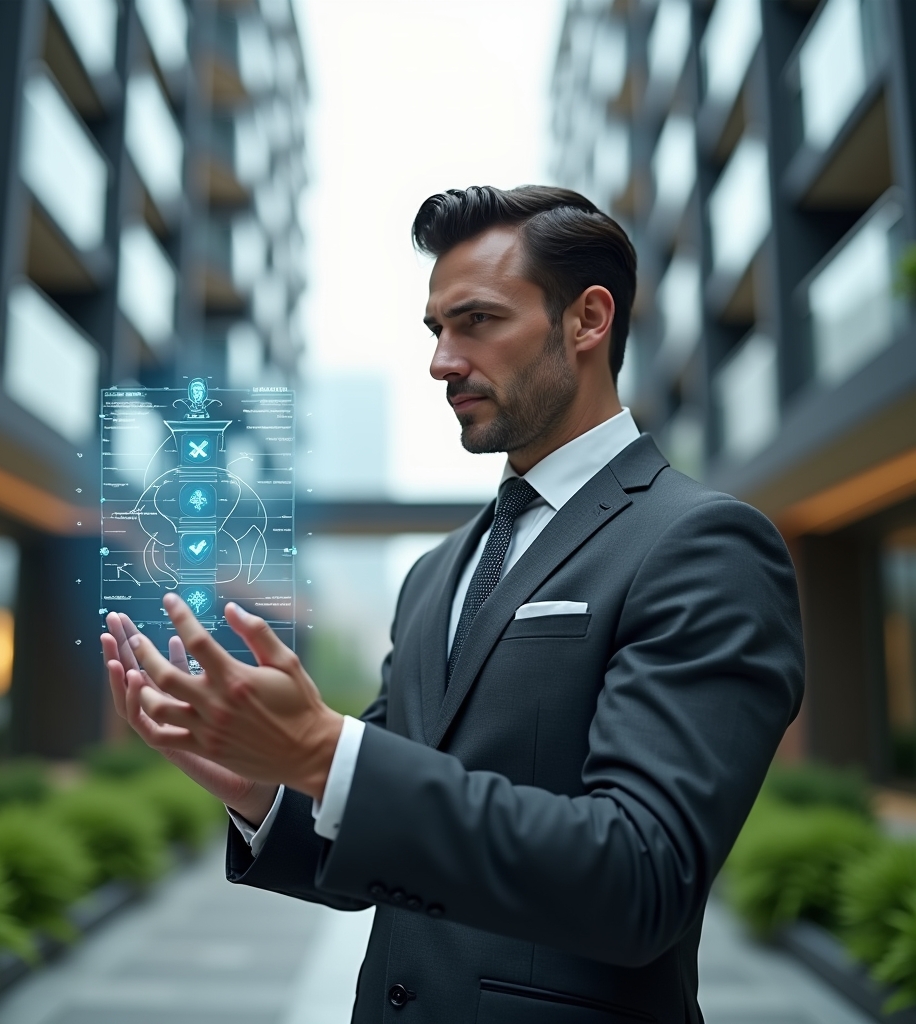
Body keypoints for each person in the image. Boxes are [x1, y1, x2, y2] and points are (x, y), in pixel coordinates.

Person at [102, 186, 804, 1024]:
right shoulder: (437, 572)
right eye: (437, 330)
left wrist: (328, 753)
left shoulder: (703, 543)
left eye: (477, 321)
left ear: (587, 320)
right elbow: (386, 829)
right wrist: (266, 787)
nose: (441, 361)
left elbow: (642, 879)